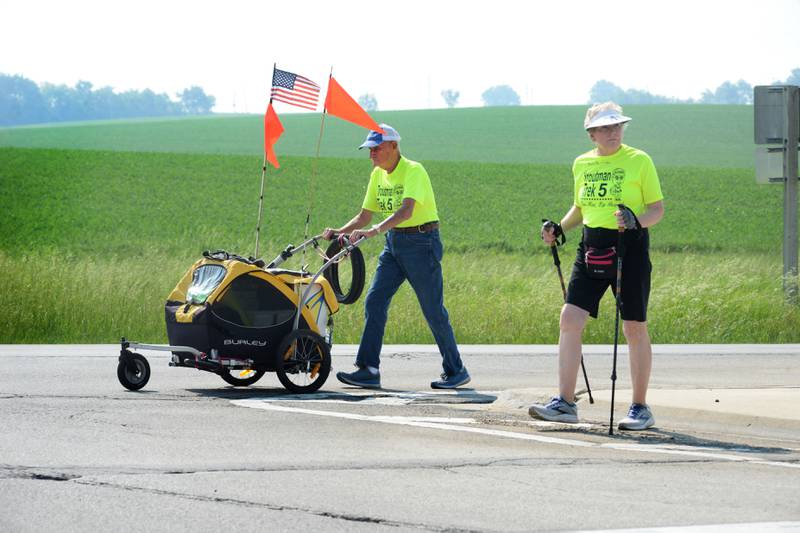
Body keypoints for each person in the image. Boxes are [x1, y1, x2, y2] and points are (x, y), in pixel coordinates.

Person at [529, 102, 665, 430]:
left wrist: (635, 220)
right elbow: (580, 207)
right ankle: (565, 403)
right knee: (570, 318)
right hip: (591, 246)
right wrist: (559, 228)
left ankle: (640, 407)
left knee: (633, 326)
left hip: (629, 246)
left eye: (617, 126)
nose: (613, 132)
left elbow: (657, 210)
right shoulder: (582, 164)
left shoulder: (639, 160)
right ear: (591, 133)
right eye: (605, 127)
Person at [322, 124, 470, 390]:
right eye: (369, 150)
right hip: (394, 244)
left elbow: (406, 211)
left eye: (376, 149)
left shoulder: (414, 170)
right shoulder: (377, 175)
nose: (372, 155)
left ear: (393, 146)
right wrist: (338, 232)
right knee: (375, 301)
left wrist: (374, 232)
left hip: (421, 242)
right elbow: (364, 216)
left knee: (432, 309)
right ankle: (368, 369)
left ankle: (456, 370)